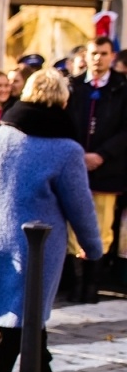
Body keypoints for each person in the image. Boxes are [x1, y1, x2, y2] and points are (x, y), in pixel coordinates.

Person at [0, 71, 101, 372]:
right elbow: (79, 203)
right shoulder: (66, 148)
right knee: (19, 316)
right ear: (63, 100)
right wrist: (93, 245)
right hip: (39, 245)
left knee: (25, 309)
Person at [65, 35, 127, 302]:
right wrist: (78, 154)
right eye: (93, 54)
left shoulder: (122, 88)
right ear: (86, 56)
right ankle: (75, 283)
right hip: (74, 167)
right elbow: (65, 123)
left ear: (111, 56)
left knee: (102, 228)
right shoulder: (74, 86)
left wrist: (102, 155)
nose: (98, 59)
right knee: (72, 230)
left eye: (103, 54)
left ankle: (92, 286)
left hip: (107, 169)